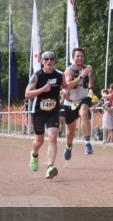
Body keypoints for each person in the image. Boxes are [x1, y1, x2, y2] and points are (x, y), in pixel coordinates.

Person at [25, 51, 64, 179]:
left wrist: (66, 91)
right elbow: (27, 94)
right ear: (42, 61)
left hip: (53, 111)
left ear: (55, 61)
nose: (49, 61)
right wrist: (42, 89)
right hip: (39, 112)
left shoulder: (59, 75)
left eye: (52, 59)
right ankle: (34, 154)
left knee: (52, 137)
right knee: (39, 141)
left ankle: (50, 167)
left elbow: (67, 86)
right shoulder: (36, 76)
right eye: (46, 59)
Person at [62, 46, 95, 159]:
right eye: (77, 56)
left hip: (84, 98)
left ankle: (87, 143)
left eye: (81, 56)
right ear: (73, 58)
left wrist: (90, 90)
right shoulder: (69, 70)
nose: (80, 58)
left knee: (84, 113)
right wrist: (81, 76)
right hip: (71, 101)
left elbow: (90, 82)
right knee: (70, 131)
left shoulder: (88, 69)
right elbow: (68, 85)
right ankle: (68, 146)